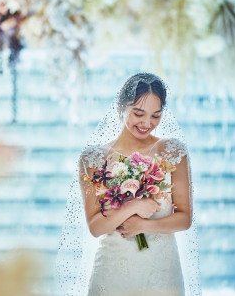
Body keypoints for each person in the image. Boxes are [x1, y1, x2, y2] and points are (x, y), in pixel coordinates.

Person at [55, 73, 201, 296]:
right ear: (121, 107)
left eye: (156, 115)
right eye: (138, 113)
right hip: (112, 271)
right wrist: (132, 206)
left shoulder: (173, 151)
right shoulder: (93, 158)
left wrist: (144, 226)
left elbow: (184, 218)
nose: (146, 123)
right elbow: (95, 227)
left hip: (162, 272)